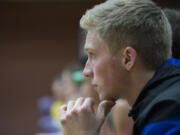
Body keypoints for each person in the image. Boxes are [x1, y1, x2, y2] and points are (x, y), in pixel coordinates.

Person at [58, 0, 180, 135]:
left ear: (127, 58)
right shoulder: (164, 97)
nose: (86, 72)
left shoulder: (166, 113)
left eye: (92, 55)